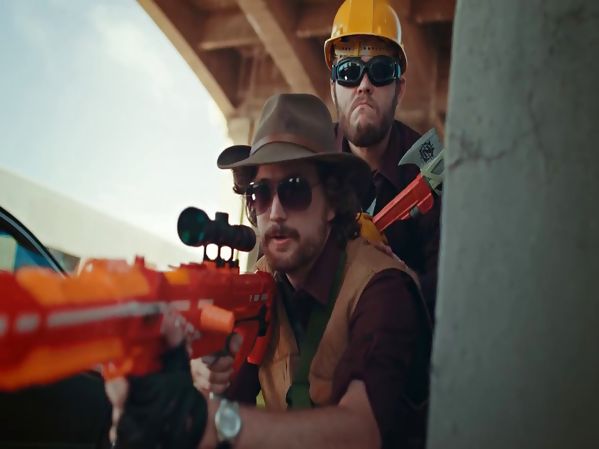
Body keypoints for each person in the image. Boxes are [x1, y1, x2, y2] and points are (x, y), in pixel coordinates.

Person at [107, 93, 432, 449]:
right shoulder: (261, 284)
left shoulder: (382, 288)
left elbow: (360, 431)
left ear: (332, 202)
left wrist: (215, 423)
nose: (274, 212)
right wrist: (202, 377)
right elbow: (232, 400)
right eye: (260, 194)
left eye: (295, 190)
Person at [325, 0, 441, 314]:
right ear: (333, 87)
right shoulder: (310, 160)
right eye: (349, 72)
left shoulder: (433, 170)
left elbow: (451, 287)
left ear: (399, 89)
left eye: (380, 71)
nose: (364, 85)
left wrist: (406, 282)